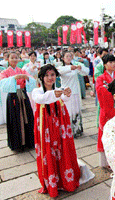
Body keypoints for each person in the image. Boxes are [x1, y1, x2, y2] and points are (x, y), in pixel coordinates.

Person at [32, 64, 94, 198]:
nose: (50, 78)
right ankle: (52, 182)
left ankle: (65, 180)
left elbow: (64, 99)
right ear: (41, 78)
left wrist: (66, 94)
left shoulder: (59, 89)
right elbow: (41, 99)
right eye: (47, 75)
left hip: (60, 125)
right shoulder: (37, 91)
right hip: (46, 127)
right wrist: (55, 94)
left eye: (52, 75)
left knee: (62, 149)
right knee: (49, 151)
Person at [0, 52, 36, 150]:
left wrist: (26, 78)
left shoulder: (22, 70)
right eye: (12, 58)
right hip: (13, 97)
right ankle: (17, 144)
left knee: (28, 116)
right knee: (15, 119)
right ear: (8, 60)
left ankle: (29, 142)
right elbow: (0, 83)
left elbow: (32, 80)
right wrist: (13, 78)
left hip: (23, 95)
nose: (14, 60)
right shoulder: (4, 72)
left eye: (16, 58)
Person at [57, 51, 89, 138]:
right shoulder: (61, 67)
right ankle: (67, 130)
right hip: (66, 93)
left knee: (76, 111)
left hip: (75, 91)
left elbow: (86, 71)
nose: (68, 57)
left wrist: (80, 68)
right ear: (63, 58)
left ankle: (77, 129)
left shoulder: (75, 66)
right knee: (68, 111)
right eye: (66, 56)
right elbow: (60, 72)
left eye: (70, 56)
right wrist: (71, 67)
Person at [95, 54, 115, 168]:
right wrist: (110, 89)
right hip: (106, 110)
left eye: (114, 62)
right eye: (110, 62)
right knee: (107, 133)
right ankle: (108, 161)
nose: (113, 64)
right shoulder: (101, 78)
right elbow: (99, 91)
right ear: (105, 65)